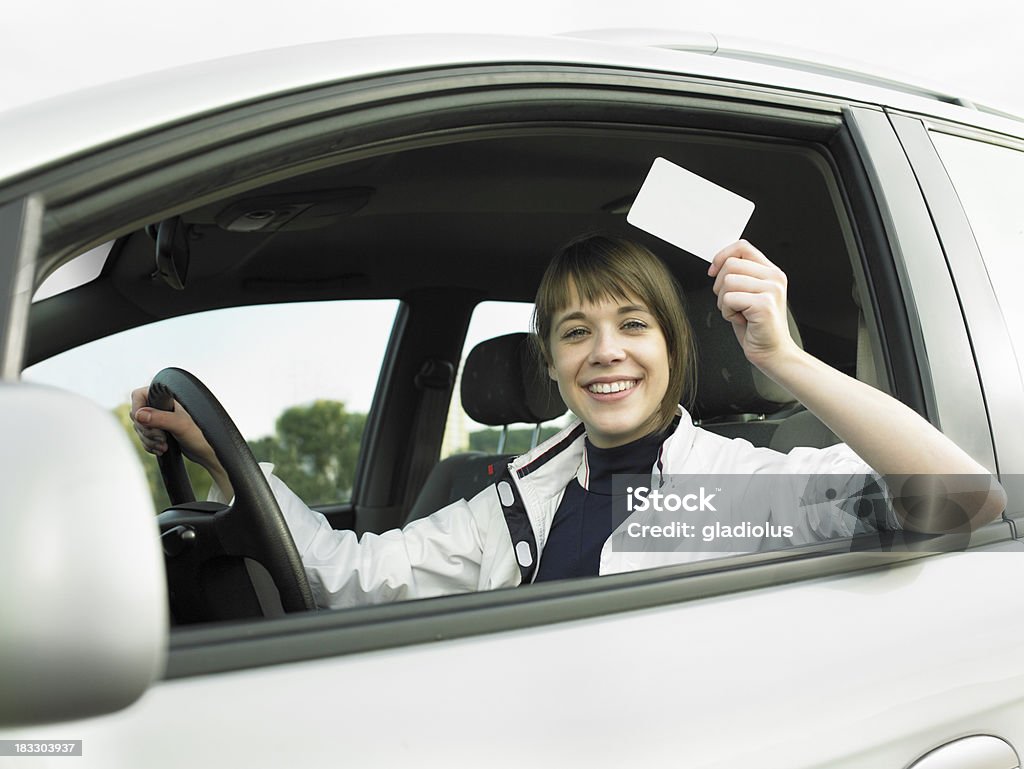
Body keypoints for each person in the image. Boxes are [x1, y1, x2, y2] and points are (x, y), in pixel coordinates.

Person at [131, 236, 1006, 608]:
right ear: (548, 364)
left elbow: (961, 500)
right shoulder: (516, 497)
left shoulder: (730, 489)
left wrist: (785, 358)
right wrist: (224, 458)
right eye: (575, 332)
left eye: (634, 325)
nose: (605, 353)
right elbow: (347, 577)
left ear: (674, 348)